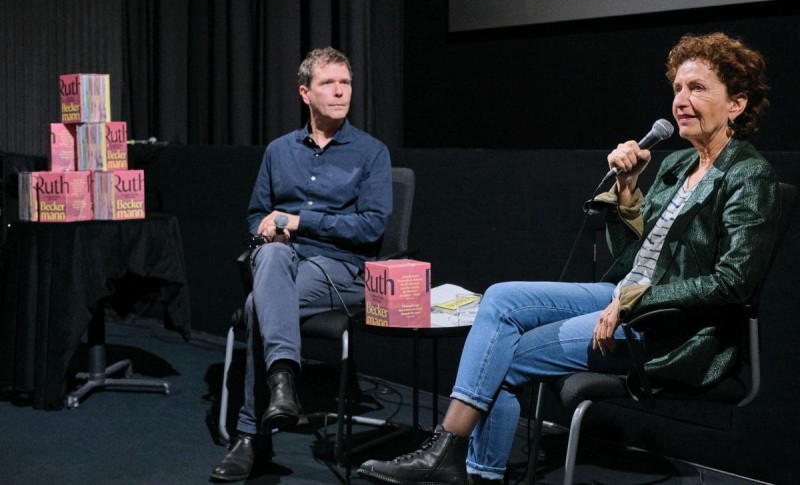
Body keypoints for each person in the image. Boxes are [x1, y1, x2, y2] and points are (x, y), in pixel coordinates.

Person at [358, 31, 781, 485]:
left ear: (736, 104)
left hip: (671, 328)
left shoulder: (748, 175)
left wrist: (634, 303)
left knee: (502, 356)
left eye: (697, 88)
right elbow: (631, 253)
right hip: (623, 297)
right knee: (499, 299)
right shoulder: (677, 165)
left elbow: (733, 282)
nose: (680, 99)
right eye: (677, 87)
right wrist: (628, 188)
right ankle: (456, 458)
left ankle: (464, 465)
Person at [211, 47, 393, 482]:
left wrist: (300, 220)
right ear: (304, 93)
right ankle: (282, 387)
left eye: (345, 82)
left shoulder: (371, 153)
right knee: (271, 255)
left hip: (341, 269)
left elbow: (371, 228)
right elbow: (256, 214)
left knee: (258, 306)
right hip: (284, 260)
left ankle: (251, 435)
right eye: (328, 83)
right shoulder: (278, 151)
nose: (339, 91)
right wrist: (267, 230)